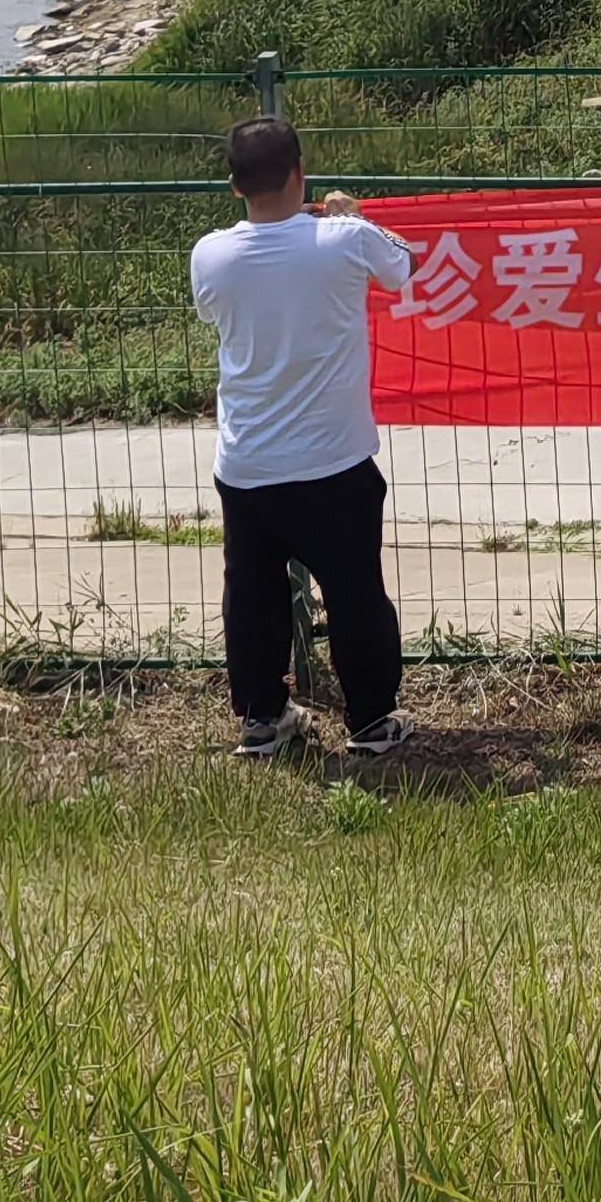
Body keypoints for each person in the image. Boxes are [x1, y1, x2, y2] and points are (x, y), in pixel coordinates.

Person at [187, 114, 412, 756]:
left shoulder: (211, 255)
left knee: (252, 596)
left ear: (234, 186)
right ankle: (370, 720)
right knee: (355, 593)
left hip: (248, 465)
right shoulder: (343, 239)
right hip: (333, 462)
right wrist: (352, 214)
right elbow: (404, 265)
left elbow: (214, 310)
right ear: (300, 175)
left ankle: (262, 719)